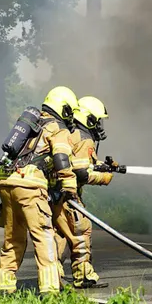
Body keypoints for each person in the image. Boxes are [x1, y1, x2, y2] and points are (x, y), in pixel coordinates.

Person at [0, 86, 80, 296]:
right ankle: (50, 291)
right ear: (65, 109)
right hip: (30, 185)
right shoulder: (57, 129)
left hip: (6, 181)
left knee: (13, 237)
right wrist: (69, 186)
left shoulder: (33, 125)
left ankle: (4, 287)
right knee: (44, 236)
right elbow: (61, 158)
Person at [52, 95, 117, 289]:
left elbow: (77, 163)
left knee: (59, 235)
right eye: (98, 120)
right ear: (89, 118)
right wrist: (104, 177)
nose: (99, 126)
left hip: (55, 195)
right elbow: (81, 173)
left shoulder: (71, 134)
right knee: (81, 231)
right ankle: (82, 275)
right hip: (68, 196)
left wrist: (102, 166)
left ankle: (52, 278)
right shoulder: (85, 139)